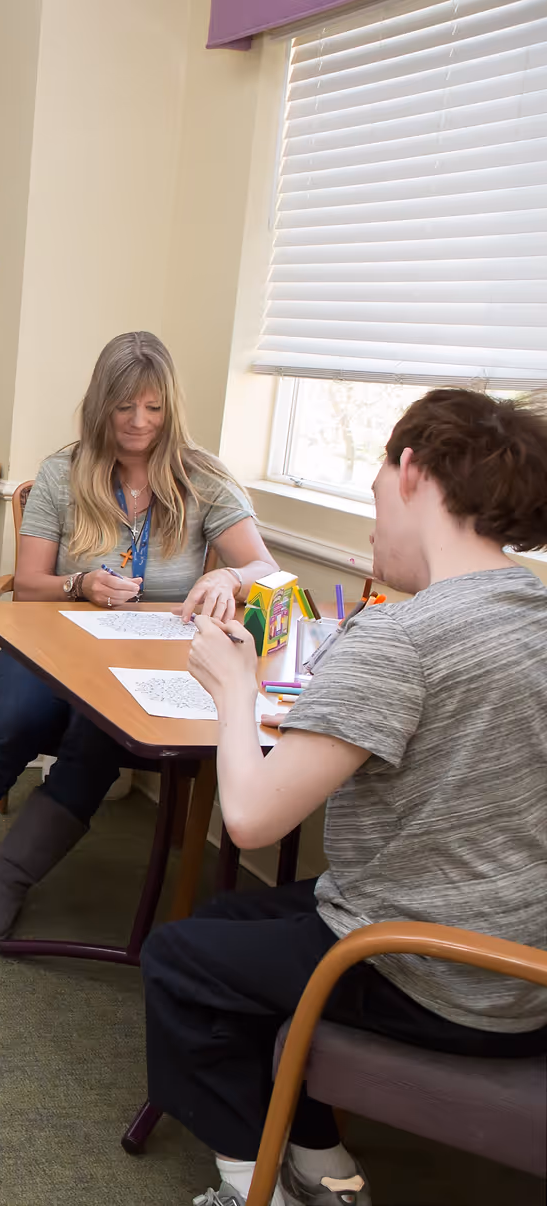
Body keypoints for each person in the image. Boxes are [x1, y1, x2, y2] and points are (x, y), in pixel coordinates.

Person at [152, 388, 547, 1206]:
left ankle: (251, 1185)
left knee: (179, 959)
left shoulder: (402, 634)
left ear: (413, 472)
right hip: (525, 967)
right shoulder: (533, 611)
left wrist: (232, 689)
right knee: (232, 922)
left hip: (438, 978)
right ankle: (324, 1161)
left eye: (373, 498)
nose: (372, 530)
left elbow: (251, 819)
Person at [0, 331, 279, 940]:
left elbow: (265, 568)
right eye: (125, 406)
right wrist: (80, 584)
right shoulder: (62, 473)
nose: (140, 422)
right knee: (16, 719)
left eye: (154, 408)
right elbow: (29, 586)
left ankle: (9, 881)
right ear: (101, 405)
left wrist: (230, 575)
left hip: (146, 659)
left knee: (97, 737)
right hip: (51, 644)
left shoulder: (202, 478)